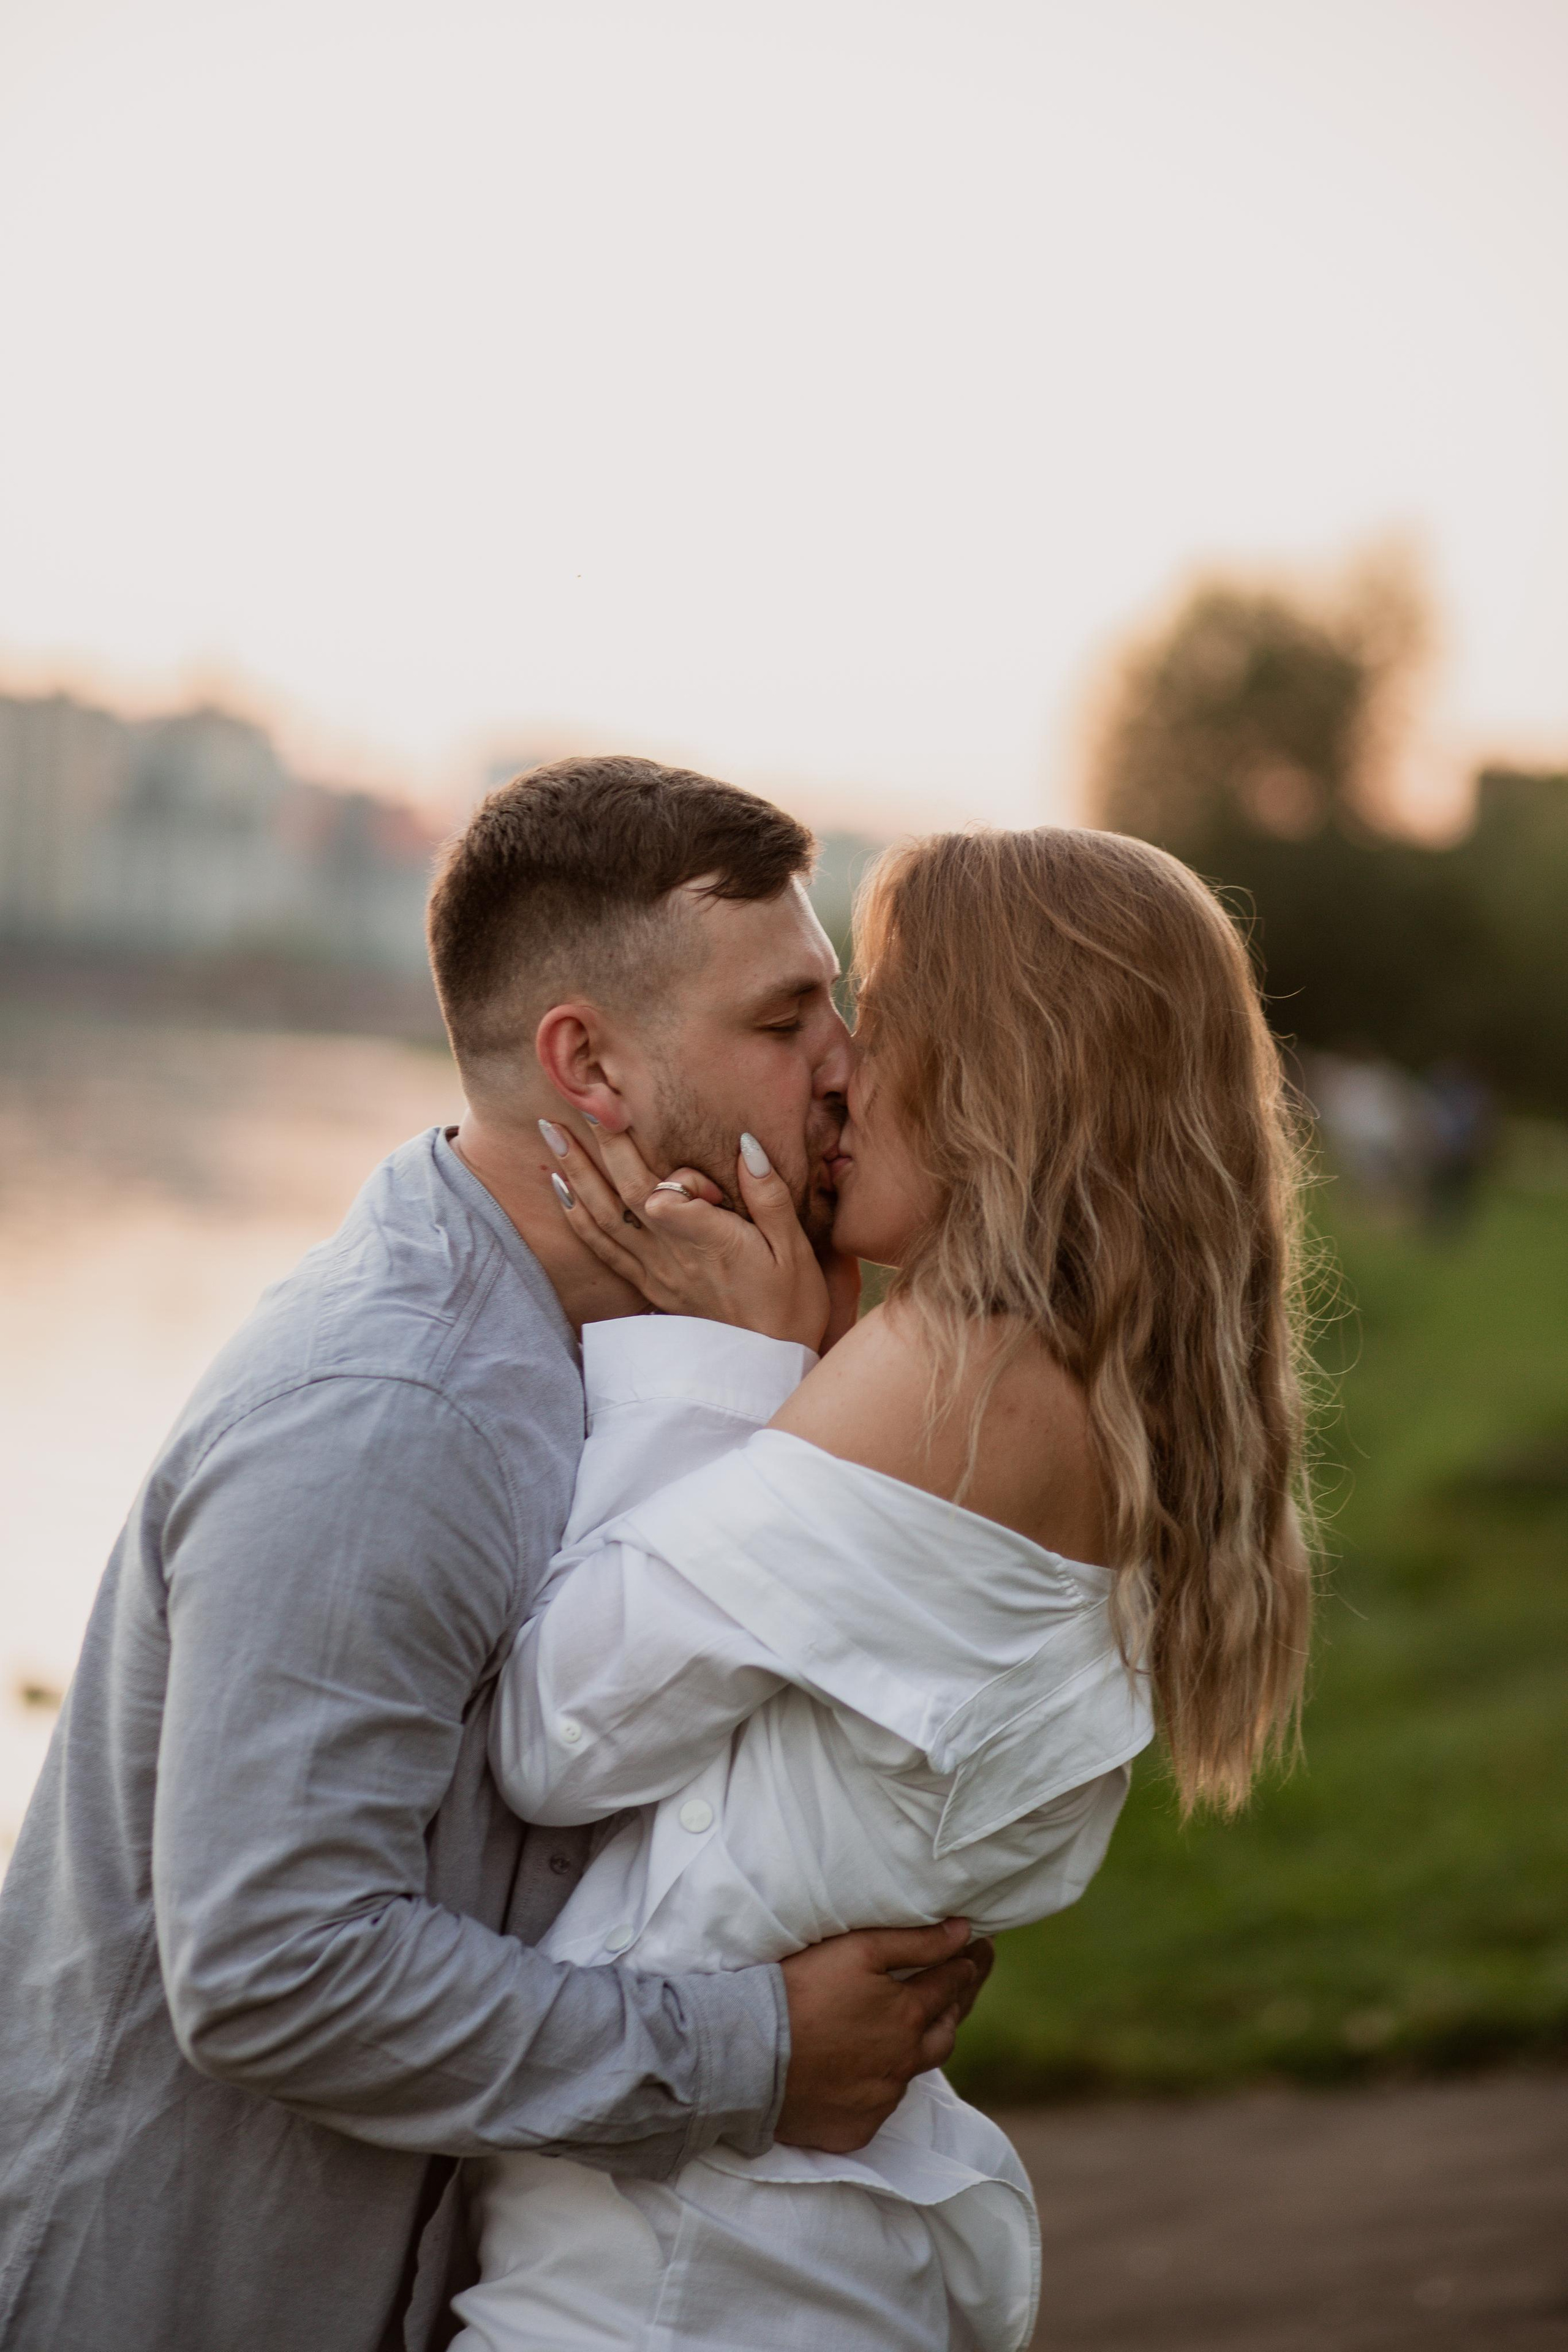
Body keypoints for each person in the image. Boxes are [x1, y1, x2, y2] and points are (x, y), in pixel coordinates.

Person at [0, 758, 989, 2352]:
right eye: (785, 1018)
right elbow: (274, 1965)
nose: (845, 1068)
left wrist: (781, 1395)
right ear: (585, 1062)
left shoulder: (617, 1351)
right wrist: (760, 2049)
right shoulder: (397, 1416)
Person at [447, 824, 1316, 2351]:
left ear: (1008, 1072)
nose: (837, 1069)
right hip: (782, 2258)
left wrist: (725, 1367)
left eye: (882, 1016)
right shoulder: (1103, 1395)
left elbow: (556, 1730)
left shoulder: (957, 1381)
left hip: (669, 2286)